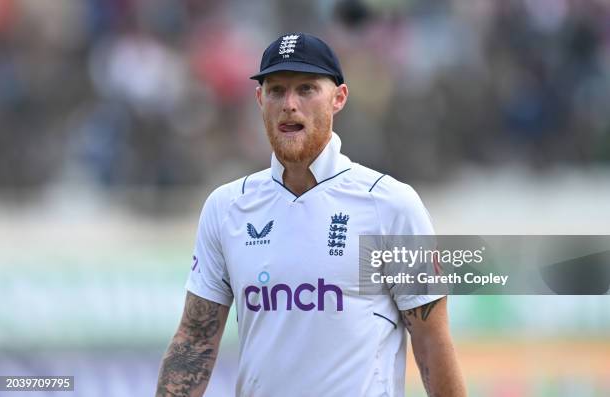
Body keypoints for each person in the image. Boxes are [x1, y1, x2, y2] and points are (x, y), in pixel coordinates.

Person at [156, 32, 466, 397]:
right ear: (259, 99)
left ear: (339, 98)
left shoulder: (390, 206)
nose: (289, 104)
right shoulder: (226, 208)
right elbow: (194, 341)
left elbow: (431, 341)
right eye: (276, 90)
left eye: (306, 89)